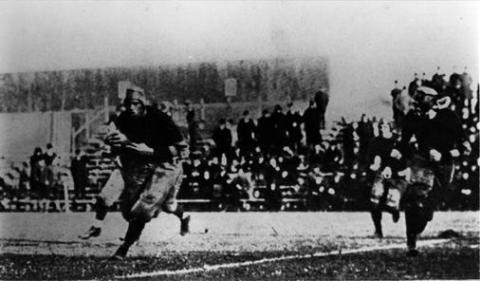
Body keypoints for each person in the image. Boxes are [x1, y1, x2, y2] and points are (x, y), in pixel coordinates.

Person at [79, 86, 190, 260]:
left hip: (165, 165)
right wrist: (111, 137)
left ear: (144, 104)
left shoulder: (160, 119)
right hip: (139, 163)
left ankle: (123, 249)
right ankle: (99, 225)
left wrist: (151, 151)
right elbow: (115, 127)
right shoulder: (126, 117)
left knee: (144, 209)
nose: (131, 108)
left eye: (136, 104)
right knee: (125, 209)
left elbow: (182, 149)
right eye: (129, 104)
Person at [400, 86, 470, 256]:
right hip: (422, 162)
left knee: (427, 208)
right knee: (415, 199)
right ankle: (411, 243)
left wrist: (443, 154)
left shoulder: (448, 117)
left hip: (444, 165)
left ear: (432, 99)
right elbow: (404, 142)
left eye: (421, 97)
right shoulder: (413, 117)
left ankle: (422, 220)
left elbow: (465, 147)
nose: (417, 101)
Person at [367, 122, 408, 238]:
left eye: (385, 126)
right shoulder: (375, 142)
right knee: (374, 202)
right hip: (381, 173)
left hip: (397, 174)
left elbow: (406, 157)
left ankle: (394, 210)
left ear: (391, 128)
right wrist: (372, 165)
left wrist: (400, 163)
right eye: (381, 127)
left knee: (392, 201)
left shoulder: (398, 141)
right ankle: (378, 230)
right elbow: (370, 158)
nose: (382, 129)